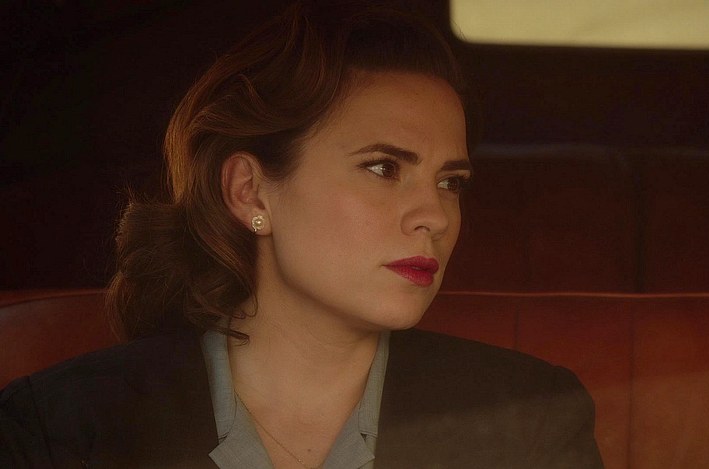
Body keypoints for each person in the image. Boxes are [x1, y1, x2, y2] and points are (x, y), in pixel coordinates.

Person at [0, 1, 603, 467]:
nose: (437, 216)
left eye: (450, 182)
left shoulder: (531, 420)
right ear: (250, 191)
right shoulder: (57, 427)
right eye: (383, 168)